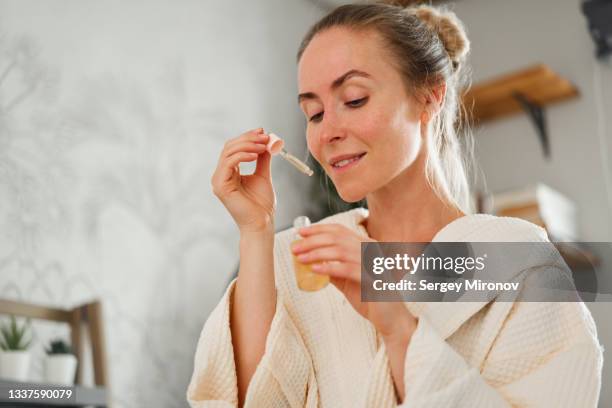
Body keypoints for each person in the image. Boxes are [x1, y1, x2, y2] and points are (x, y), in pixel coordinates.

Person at [187, 2, 603, 407]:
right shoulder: (297, 258)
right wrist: (256, 230)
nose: (326, 132)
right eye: (313, 113)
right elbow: (244, 399)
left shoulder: (519, 263)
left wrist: (398, 327)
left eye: (353, 99)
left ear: (429, 98)